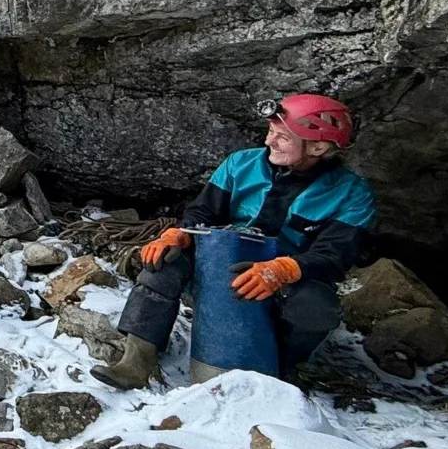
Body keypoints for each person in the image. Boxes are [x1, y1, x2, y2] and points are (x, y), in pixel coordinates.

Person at [91, 94, 376, 389]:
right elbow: (203, 211)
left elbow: (335, 254)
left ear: (317, 146)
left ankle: (285, 369)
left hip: (287, 280)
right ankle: (136, 361)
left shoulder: (352, 194)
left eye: (283, 138)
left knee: (316, 306)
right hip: (219, 264)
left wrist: (284, 270)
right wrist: (179, 233)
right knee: (165, 263)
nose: (270, 142)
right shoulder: (241, 164)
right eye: (271, 132)